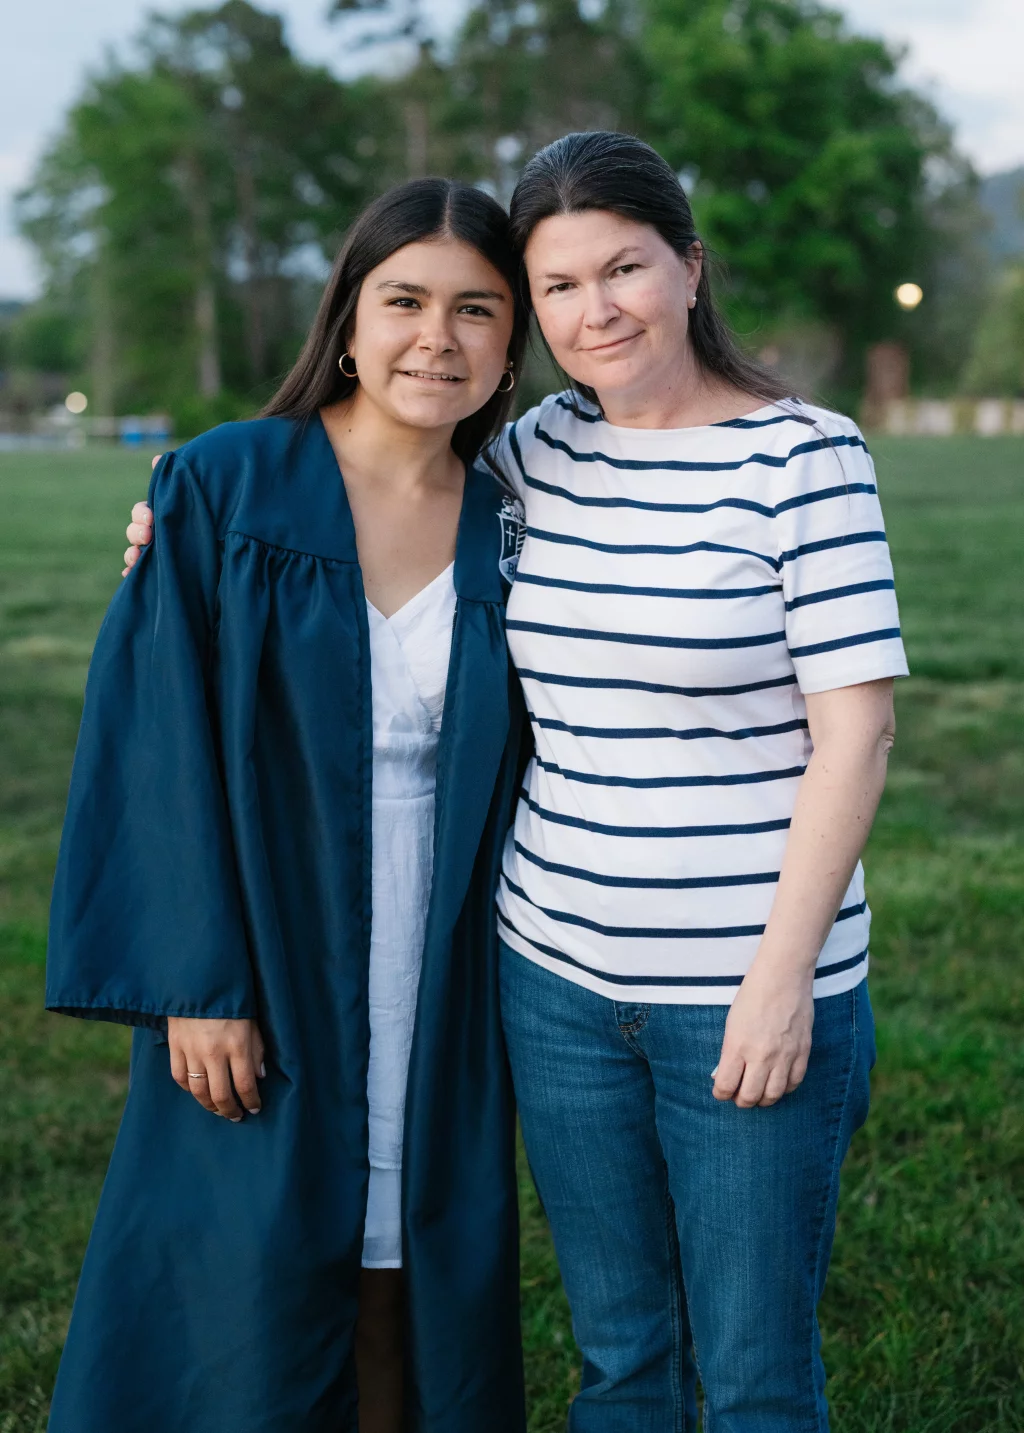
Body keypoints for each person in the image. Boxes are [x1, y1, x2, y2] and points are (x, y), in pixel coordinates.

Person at [121, 132, 907, 1430]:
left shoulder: (805, 458)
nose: (596, 308)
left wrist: (781, 979)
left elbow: (858, 734)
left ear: (691, 269)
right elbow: (352, 480)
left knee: (756, 1372)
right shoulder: (536, 455)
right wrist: (177, 516)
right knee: (621, 1356)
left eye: (626, 269)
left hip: (745, 988)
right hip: (552, 985)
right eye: (557, 284)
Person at [46, 177, 530, 1433]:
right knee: (244, 1265)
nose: (439, 337)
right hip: (268, 916)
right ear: (350, 319)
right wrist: (197, 981)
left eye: (477, 309)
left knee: (409, 1252)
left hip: (444, 942)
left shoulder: (515, 521)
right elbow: (151, 744)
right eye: (406, 300)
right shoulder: (226, 485)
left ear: (512, 338)